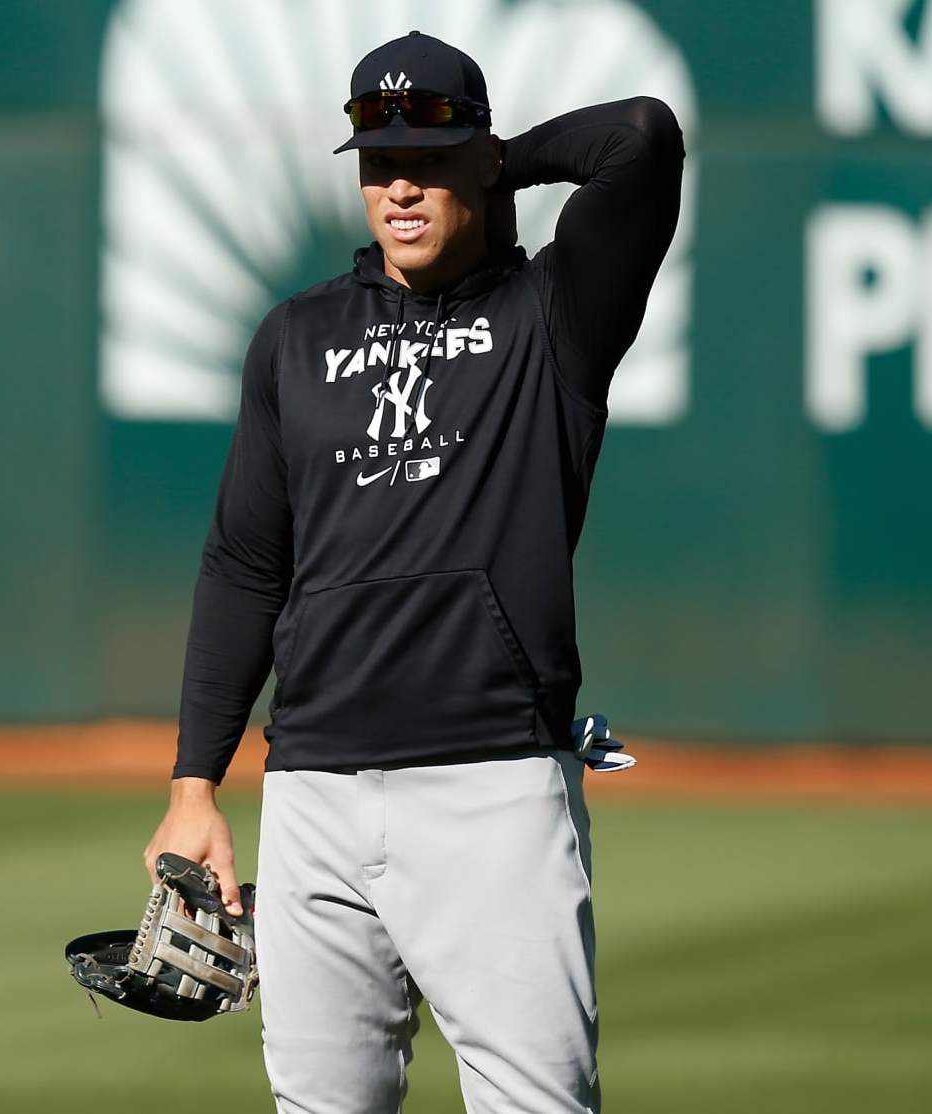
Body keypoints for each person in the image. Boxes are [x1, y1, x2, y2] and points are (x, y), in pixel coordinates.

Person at [143, 30, 684, 1114]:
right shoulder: (294, 338)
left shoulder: (552, 315)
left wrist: (497, 157)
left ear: (482, 166)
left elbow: (642, 139)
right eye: (378, 159)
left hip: (490, 785)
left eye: (429, 161)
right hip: (313, 791)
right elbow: (246, 565)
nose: (399, 184)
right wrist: (194, 785)